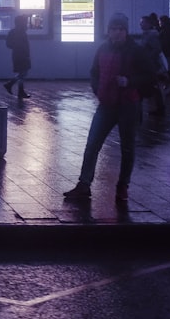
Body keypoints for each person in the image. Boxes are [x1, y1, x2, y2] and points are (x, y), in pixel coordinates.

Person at [64, 13, 154, 203]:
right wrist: (98, 89)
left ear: (126, 31)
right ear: (109, 31)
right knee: (92, 145)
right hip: (106, 104)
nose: (117, 33)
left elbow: (149, 75)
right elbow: (94, 72)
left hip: (128, 105)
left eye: (121, 29)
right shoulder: (103, 49)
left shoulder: (135, 51)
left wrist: (129, 82)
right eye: (114, 29)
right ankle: (84, 184)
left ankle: (122, 186)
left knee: (127, 148)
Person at [137, 14, 166, 115]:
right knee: (153, 85)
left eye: (142, 23)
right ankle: (158, 106)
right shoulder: (148, 34)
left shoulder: (151, 35)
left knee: (153, 85)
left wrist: (148, 59)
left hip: (151, 64)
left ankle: (158, 106)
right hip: (149, 63)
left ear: (148, 24)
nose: (140, 24)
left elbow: (157, 49)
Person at [3, 14, 31, 103]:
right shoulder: (22, 32)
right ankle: (13, 86)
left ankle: (16, 88)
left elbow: (8, 44)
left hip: (16, 54)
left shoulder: (13, 32)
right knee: (23, 73)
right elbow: (25, 45)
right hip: (22, 54)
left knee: (22, 73)